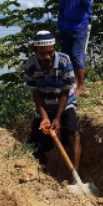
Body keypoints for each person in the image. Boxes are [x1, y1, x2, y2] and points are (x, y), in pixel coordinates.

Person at [25, 31, 81, 177]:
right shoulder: (30, 65)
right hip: (44, 105)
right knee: (35, 146)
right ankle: (45, 175)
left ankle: (75, 177)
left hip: (65, 104)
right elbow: (35, 93)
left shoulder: (64, 61)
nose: (48, 57)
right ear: (35, 51)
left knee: (74, 134)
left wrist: (57, 118)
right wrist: (44, 117)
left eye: (50, 52)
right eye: (43, 54)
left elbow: (65, 91)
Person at [57, 0, 95, 96]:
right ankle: (69, 84)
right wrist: (58, 28)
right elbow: (61, 9)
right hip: (65, 28)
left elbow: (88, 0)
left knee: (77, 54)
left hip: (80, 26)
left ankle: (81, 85)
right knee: (65, 56)